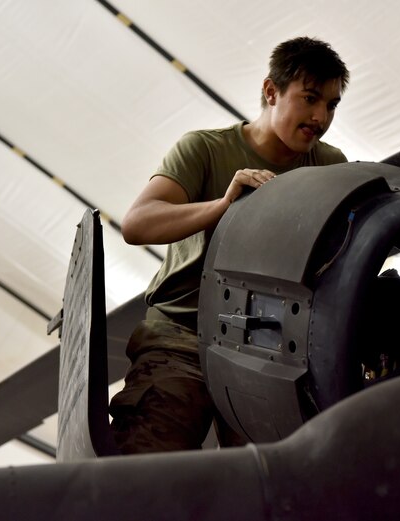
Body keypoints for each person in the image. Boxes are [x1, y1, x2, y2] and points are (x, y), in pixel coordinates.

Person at [109, 36, 350, 454]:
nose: (320, 116)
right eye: (310, 98)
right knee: (147, 469)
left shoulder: (329, 167)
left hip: (267, 344)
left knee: (277, 480)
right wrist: (224, 206)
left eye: (331, 105)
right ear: (271, 91)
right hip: (182, 334)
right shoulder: (203, 149)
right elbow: (137, 224)